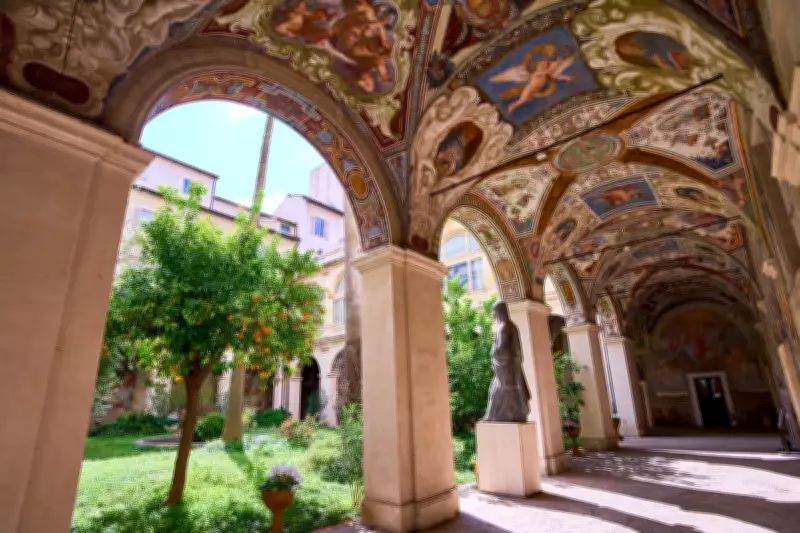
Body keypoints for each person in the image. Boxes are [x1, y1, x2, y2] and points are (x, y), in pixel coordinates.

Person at [484, 301, 531, 422]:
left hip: (505, 369)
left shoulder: (503, 327)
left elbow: (501, 351)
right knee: (504, 391)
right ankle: (509, 414)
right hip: (512, 367)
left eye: (495, 313)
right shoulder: (512, 325)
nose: (494, 316)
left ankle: (493, 416)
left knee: (496, 391)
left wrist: (493, 350)